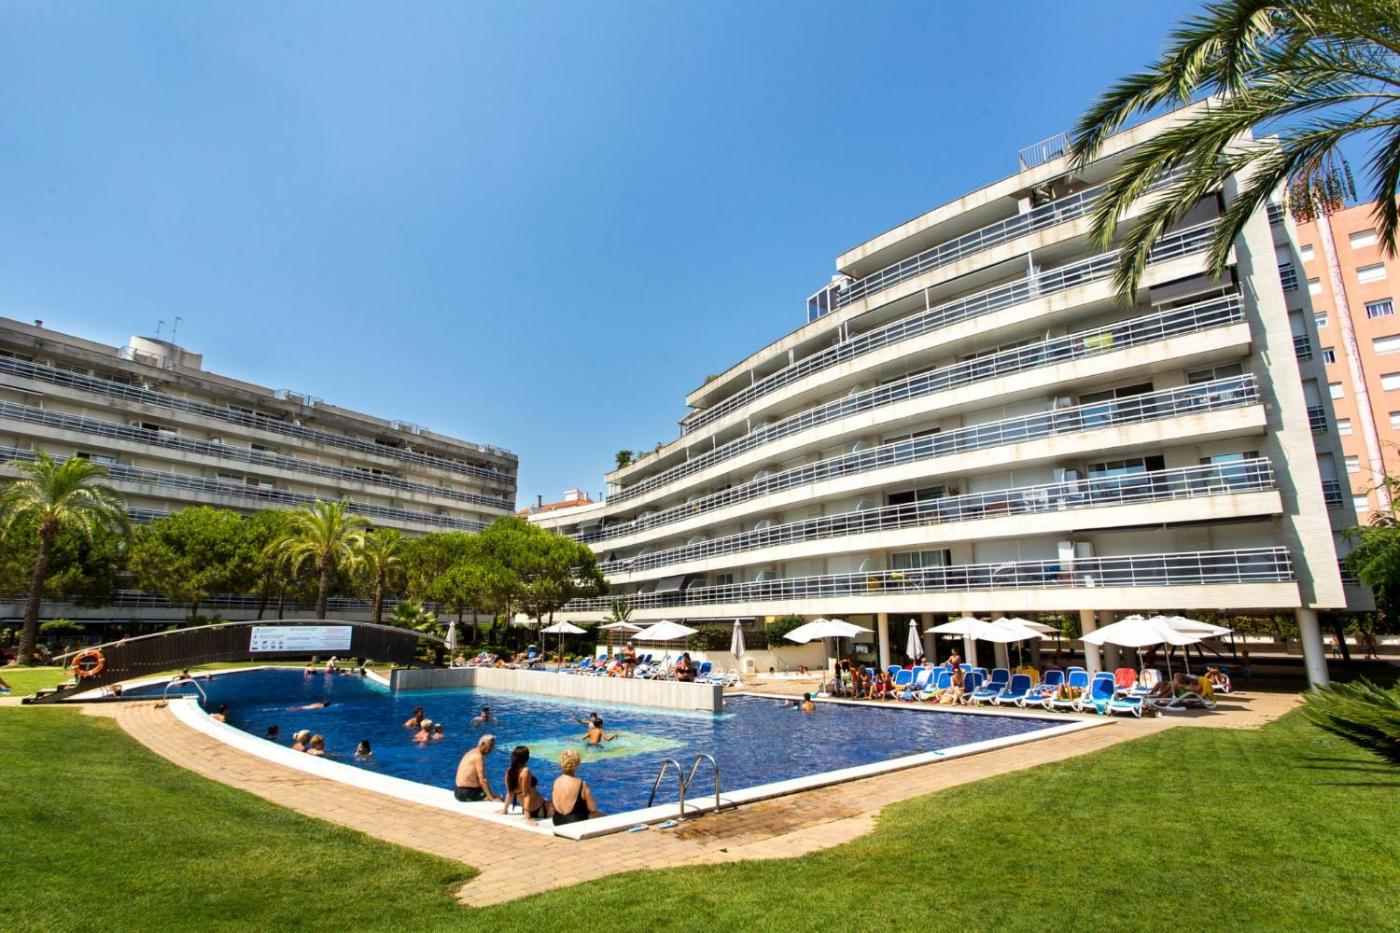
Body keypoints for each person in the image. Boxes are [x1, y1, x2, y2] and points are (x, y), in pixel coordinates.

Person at [502, 746, 552, 821]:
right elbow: (526, 795)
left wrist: (504, 810)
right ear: (526, 758)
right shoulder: (525, 771)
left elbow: (510, 794)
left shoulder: (509, 771)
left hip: (527, 808)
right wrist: (527, 818)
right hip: (540, 809)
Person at [551, 749, 600, 826]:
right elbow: (592, 809)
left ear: (561, 763)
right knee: (601, 815)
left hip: (557, 820)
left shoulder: (556, 782)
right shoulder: (582, 784)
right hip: (573, 821)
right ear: (577, 765)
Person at [454, 734, 499, 802]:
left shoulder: (472, 752)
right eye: (490, 745)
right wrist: (492, 799)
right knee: (497, 798)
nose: (491, 748)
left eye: (493, 745)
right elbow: (482, 780)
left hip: (459, 791)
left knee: (492, 794)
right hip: (466, 794)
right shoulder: (478, 757)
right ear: (483, 744)